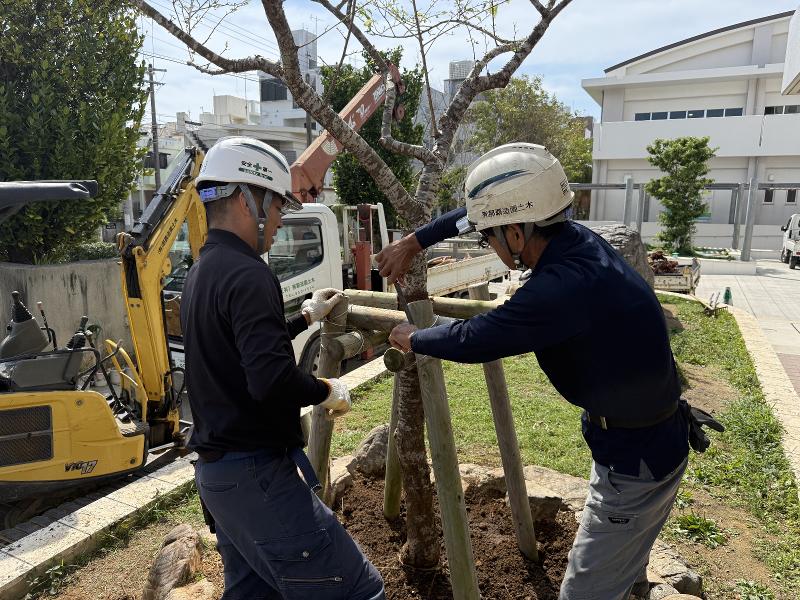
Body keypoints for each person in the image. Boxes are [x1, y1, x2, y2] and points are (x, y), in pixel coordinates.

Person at [379, 143, 715, 600]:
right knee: (623, 566)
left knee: (583, 592)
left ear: (516, 233)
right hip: (644, 440)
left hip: (636, 462)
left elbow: (478, 338)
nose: (486, 244)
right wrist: (415, 241)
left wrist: (413, 337)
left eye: (487, 238)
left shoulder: (562, 288)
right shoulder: (575, 240)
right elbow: (469, 213)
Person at [181, 136, 385, 600]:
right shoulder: (252, 273)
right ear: (245, 198)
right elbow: (270, 378)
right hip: (256, 475)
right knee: (361, 591)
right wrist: (325, 390)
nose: (278, 222)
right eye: (276, 207)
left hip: (219, 480)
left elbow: (240, 348)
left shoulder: (204, 270)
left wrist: (306, 316)